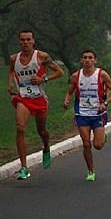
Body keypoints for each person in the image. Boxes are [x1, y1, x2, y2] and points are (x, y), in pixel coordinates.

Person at [7, 30, 65, 180]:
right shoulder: (14, 58)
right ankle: (24, 167)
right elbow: (11, 71)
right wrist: (10, 85)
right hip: (23, 98)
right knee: (20, 128)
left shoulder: (42, 56)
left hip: (39, 98)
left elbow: (60, 72)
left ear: (33, 41)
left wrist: (43, 79)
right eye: (22, 40)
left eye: (28, 40)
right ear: (19, 42)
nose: (25, 42)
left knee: (42, 131)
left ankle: (46, 146)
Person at [63, 50, 111, 181]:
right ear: (81, 60)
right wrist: (67, 100)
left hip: (98, 113)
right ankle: (91, 171)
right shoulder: (76, 76)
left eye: (90, 57)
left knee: (98, 145)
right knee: (86, 144)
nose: (87, 60)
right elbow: (70, 91)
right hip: (82, 113)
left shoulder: (102, 74)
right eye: (85, 58)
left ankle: (102, 137)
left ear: (95, 60)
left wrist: (105, 103)